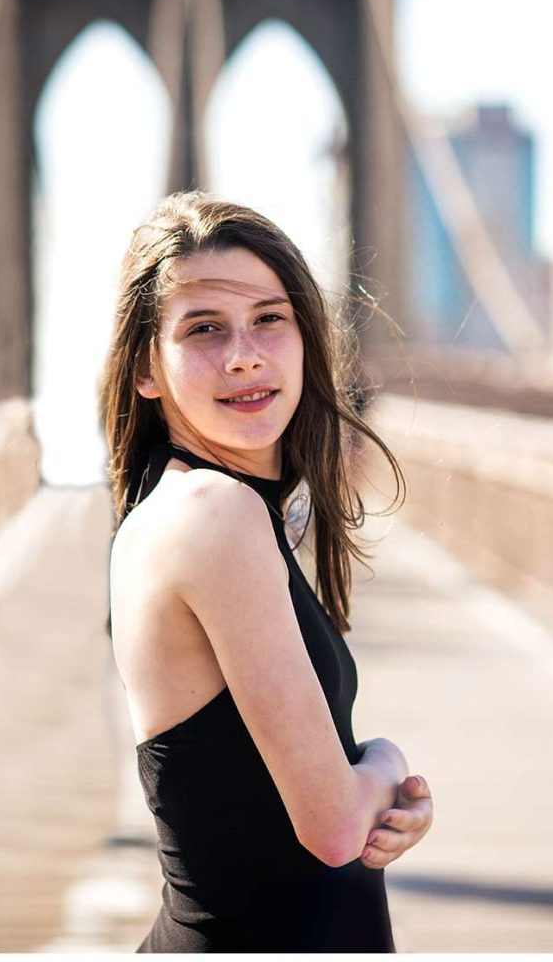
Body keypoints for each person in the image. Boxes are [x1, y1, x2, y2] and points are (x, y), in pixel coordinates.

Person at [99, 191, 433, 952]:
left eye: (269, 319)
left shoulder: (183, 503)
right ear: (146, 370)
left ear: (305, 337)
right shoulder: (216, 514)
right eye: (205, 329)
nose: (245, 354)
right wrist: (387, 764)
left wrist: (381, 801)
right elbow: (336, 826)